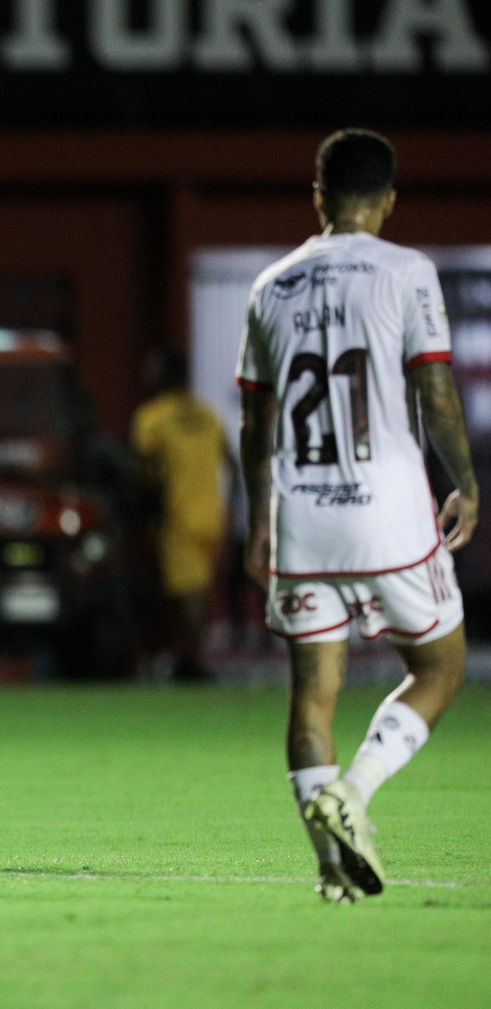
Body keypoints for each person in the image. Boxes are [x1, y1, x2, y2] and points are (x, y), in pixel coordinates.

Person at [237, 128, 479, 904]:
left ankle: (328, 869)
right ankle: (358, 792)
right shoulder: (407, 271)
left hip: (304, 517)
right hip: (388, 512)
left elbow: (255, 425)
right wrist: (467, 482)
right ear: (389, 199)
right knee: (440, 667)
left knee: (313, 694)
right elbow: (436, 393)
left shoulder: (270, 285)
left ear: (319, 195)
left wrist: (258, 521)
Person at [131, 347, 232, 681]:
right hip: (212, 514)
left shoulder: (153, 418)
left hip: (179, 514)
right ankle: (191, 656)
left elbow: (146, 468)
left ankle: (194, 661)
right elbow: (230, 460)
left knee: (188, 592)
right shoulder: (208, 415)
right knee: (200, 588)